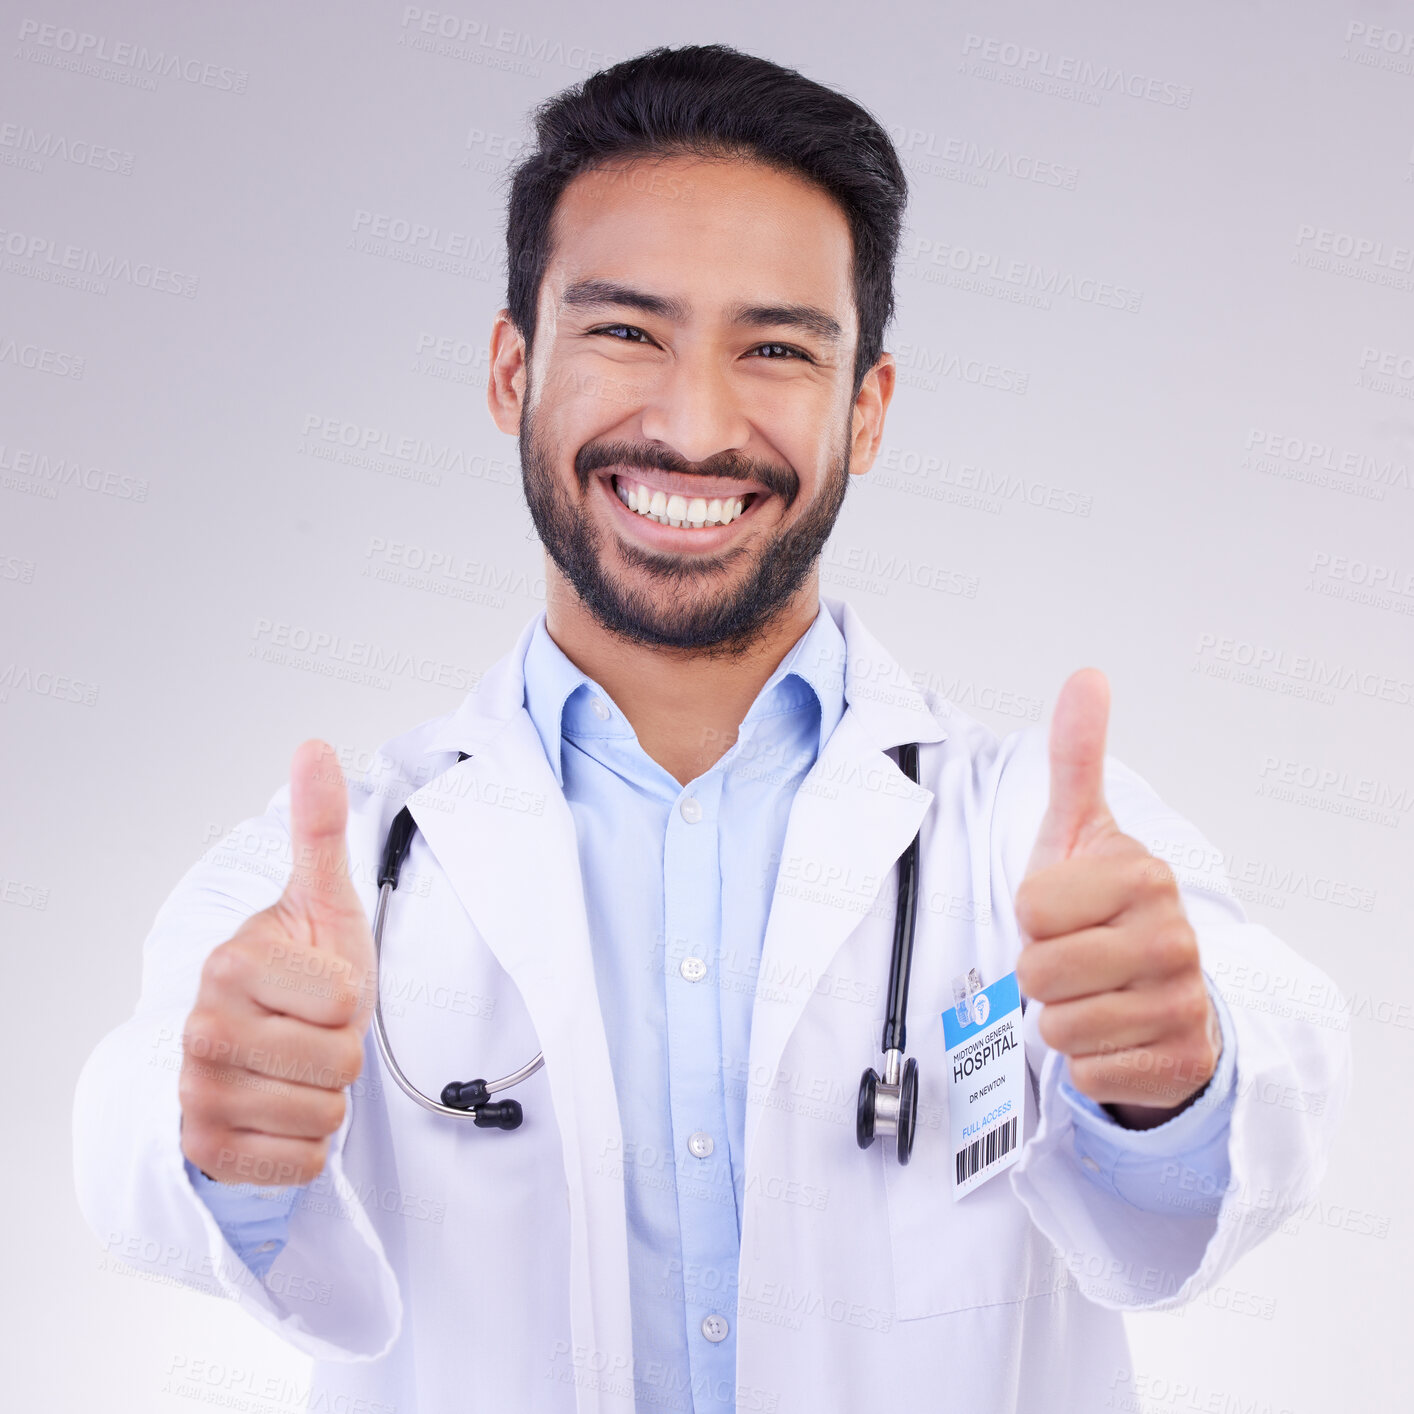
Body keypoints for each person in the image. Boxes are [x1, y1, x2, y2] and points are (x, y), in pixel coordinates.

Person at [73, 42, 1351, 1414]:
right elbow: (130, 1123)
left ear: (866, 411)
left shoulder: (1028, 833)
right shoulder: (348, 865)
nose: (693, 424)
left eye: (777, 349)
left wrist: (1176, 1078)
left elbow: (1279, 1054)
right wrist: (228, 1143)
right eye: (626, 331)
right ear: (512, 370)